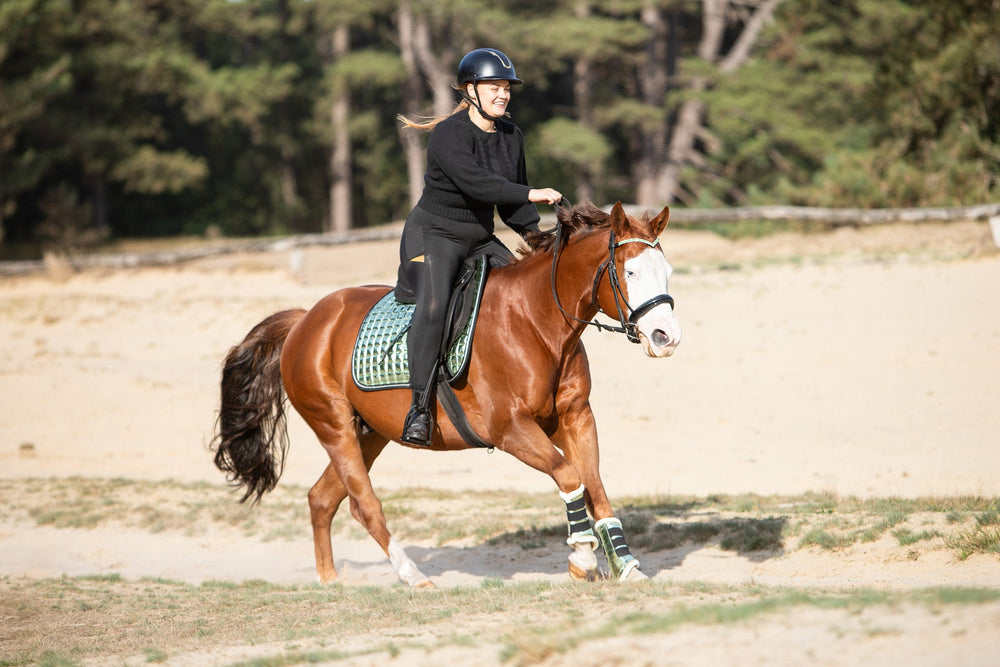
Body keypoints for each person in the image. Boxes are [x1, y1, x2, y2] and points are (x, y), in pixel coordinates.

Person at [395, 47, 562, 446]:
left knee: (521, 294)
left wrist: (537, 239)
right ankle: (418, 408)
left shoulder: (511, 136)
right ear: (471, 90)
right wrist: (533, 191)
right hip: (434, 235)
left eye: (506, 88)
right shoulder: (448, 135)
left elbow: (510, 204)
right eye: (494, 87)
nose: (503, 94)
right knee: (435, 307)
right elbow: (477, 183)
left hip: (478, 238)